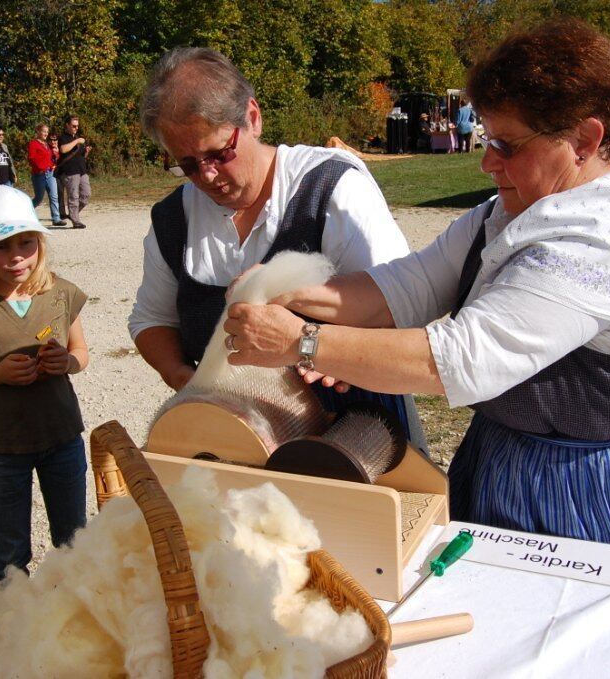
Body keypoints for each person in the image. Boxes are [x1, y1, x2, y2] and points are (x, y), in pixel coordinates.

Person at [224, 19, 610, 679]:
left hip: (599, 487)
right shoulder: (518, 204)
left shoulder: (602, 239)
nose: (488, 161)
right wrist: (294, 298)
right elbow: (408, 286)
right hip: (520, 460)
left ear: (586, 138)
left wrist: (306, 342)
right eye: (487, 139)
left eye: (506, 144)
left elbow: (456, 359)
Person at [129, 46, 427, 450]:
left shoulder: (332, 189)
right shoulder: (171, 219)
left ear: (252, 118)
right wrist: (191, 386)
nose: (207, 175)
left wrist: (325, 348)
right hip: (235, 445)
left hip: (358, 437)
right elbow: (152, 320)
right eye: (188, 164)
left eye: (218, 153)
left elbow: (399, 309)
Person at [0, 185, 90, 584]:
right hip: (3, 447)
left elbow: (81, 352)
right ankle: (11, 627)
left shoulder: (60, 293)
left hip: (63, 439)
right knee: (10, 551)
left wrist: (67, 363)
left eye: (27, 243)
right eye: (1, 247)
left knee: (74, 542)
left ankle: (76, 620)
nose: (17, 256)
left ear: (40, 242)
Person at [57, 115, 91, 229]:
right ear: (67, 125)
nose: (76, 128)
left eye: (77, 126)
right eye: (74, 126)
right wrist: (77, 141)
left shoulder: (77, 137)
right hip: (70, 171)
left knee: (86, 194)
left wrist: (86, 152)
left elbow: (80, 155)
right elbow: (63, 149)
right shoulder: (63, 137)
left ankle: (73, 214)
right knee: (73, 196)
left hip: (82, 170)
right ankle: (76, 221)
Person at [27, 123, 65, 226]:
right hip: (39, 174)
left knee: (54, 196)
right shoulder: (33, 143)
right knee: (39, 198)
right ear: (38, 131)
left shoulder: (47, 145)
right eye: (44, 131)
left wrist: (54, 162)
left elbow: (53, 157)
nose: (46, 133)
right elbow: (31, 158)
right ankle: (25, 211)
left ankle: (56, 219)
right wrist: (40, 167)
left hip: (50, 173)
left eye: (47, 132)